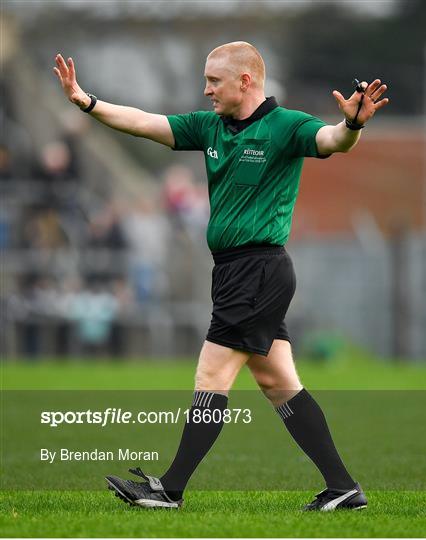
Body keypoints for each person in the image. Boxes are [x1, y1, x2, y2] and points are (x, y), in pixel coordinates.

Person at [53, 41, 388, 511]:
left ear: (245, 81)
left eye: (214, 80)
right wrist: (86, 102)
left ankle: (169, 489)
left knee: (211, 375)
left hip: (259, 270)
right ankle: (343, 487)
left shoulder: (285, 125)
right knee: (278, 384)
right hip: (235, 273)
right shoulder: (210, 126)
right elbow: (145, 123)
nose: (205, 89)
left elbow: (334, 140)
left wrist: (352, 123)